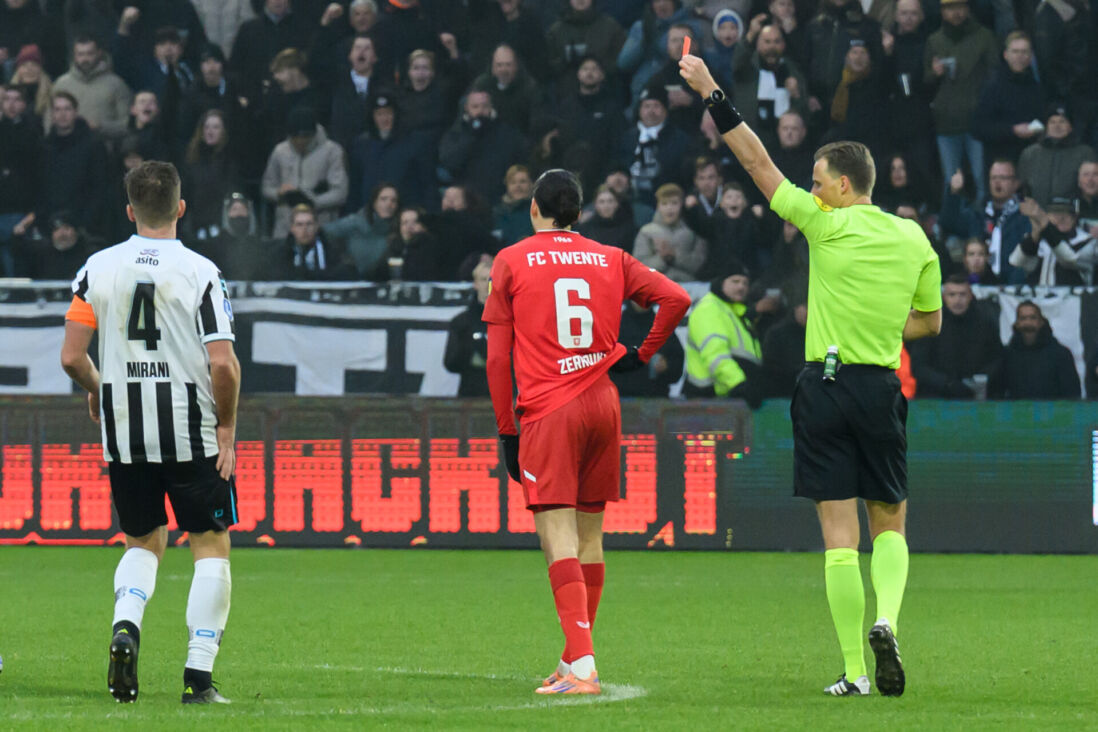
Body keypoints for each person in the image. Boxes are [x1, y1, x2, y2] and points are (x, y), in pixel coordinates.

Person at [678, 54, 942, 696]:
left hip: (822, 388)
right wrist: (881, 328)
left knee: (837, 537)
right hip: (880, 386)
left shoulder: (823, 225)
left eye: (820, 181)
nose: (813, 189)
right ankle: (887, 620)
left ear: (845, 186)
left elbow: (756, 164)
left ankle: (854, 670)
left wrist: (712, 91)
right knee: (891, 522)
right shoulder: (916, 242)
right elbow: (930, 326)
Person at [483, 168, 690, 695]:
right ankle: (573, 657)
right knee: (591, 537)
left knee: (557, 537)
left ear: (535, 208)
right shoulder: (612, 257)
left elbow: (497, 355)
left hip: (550, 408)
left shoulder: (510, 260)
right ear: (579, 213)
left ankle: (584, 669)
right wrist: (640, 354)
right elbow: (676, 300)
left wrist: (507, 429)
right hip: (603, 403)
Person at [59, 160, 239, 705]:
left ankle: (126, 627)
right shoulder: (201, 271)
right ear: (180, 208)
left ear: (131, 210)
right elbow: (224, 365)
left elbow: (71, 357)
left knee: (142, 540)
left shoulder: (96, 268)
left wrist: (98, 387)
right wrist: (227, 425)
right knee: (209, 544)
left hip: (126, 432)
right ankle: (198, 679)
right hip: (191, 431)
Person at [924, 0, 999, 204]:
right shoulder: (934, 40)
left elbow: (995, 75)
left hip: (977, 121)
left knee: (981, 180)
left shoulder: (984, 36)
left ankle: (983, 227)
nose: (955, 12)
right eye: (950, 8)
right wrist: (934, 73)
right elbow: (925, 80)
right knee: (951, 182)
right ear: (942, 12)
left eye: (960, 7)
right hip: (946, 121)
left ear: (968, 9)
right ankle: (954, 227)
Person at [683, 263, 765, 407]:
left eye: (745, 283)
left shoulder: (738, 314)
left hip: (726, 400)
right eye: (735, 281)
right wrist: (739, 384)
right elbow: (715, 355)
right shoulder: (710, 309)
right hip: (709, 401)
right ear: (721, 283)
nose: (741, 287)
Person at [908, 275, 1002, 398]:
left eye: (962, 294)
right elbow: (918, 366)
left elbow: (997, 358)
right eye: (952, 295)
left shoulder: (985, 323)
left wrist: (979, 380)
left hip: (975, 395)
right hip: (935, 397)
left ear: (970, 296)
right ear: (943, 297)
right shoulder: (930, 324)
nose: (957, 300)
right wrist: (947, 384)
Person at [261, 106, 348, 239]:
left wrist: (313, 201)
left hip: (321, 226)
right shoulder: (280, 151)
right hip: (285, 228)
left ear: (313, 133)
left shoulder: (332, 151)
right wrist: (279, 193)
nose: (300, 141)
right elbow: (266, 187)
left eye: (305, 136)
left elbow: (340, 192)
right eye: (296, 137)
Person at [991, 301, 1080, 399]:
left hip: (1052, 413)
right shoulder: (1007, 356)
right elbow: (996, 393)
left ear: (1041, 322)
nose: (1028, 323)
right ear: (1017, 324)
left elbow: (1072, 396)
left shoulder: (1061, 355)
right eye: (1023, 318)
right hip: (1017, 413)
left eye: (1033, 318)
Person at [52, 35, 132, 143]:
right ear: (74, 55)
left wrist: (100, 126)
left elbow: (129, 124)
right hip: (66, 151)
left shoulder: (116, 84)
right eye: (80, 54)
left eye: (89, 53)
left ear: (99, 53)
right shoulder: (61, 84)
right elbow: (49, 121)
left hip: (105, 152)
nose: (85, 59)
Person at [1017, 104, 1096, 206]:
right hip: (1035, 214)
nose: (1057, 126)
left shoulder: (1085, 153)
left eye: (1062, 121)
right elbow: (1020, 187)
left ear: (1070, 126)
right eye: (1052, 122)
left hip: (1071, 215)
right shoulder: (1030, 153)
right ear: (1046, 126)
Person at [1010, 195, 1096, 286]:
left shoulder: (1089, 242)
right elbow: (1016, 262)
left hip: (1072, 298)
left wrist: (1047, 227)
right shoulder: (1038, 240)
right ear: (1047, 215)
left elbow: (1070, 259)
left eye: (1066, 213)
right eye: (1055, 213)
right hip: (1038, 297)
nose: (1060, 218)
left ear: (1075, 217)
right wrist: (1035, 234)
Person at [632, 182, 707, 282]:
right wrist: (662, 259)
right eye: (664, 204)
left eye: (674, 203)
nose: (669, 208)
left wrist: (675, 256)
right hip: (656, 287)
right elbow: (638, 268)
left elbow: (700, 265)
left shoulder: (694, 230)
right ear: (658, 206)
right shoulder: (646, 232)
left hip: (688, 287)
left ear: (681, 205)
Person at [443, 258, 493, 396]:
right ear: (475, 284)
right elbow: (450, 363)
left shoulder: (514, 322)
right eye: (483, 280)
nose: (488, 285)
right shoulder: (461, 322)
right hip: (471, 396)